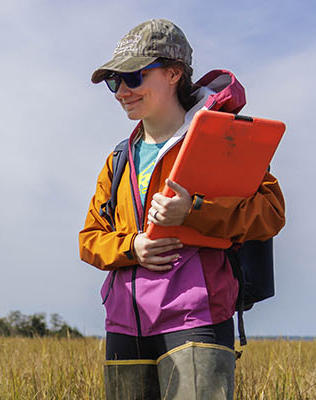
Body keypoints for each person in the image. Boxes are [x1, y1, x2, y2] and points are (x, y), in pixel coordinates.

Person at [77, 19, 285, 400]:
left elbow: (270, 212)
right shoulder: (118, 159)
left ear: (174, 73)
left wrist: (194, 211)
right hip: (124, 323)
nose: (122, 91)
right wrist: (132, 247)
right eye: (114, 82)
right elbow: (89, 239)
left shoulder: (227, 137)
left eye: (134, 77)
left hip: (196, 318)